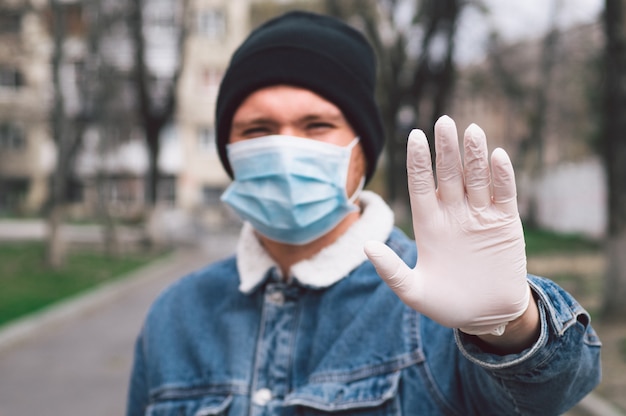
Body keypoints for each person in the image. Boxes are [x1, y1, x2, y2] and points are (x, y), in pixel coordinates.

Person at [126, 10, 601, 415]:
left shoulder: (439, 300)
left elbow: (552, 392)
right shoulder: (175, 316)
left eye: (316, 125)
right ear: (228, 150)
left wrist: (510, 326)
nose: (287, 146)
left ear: (361, 153)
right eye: (259, 129)